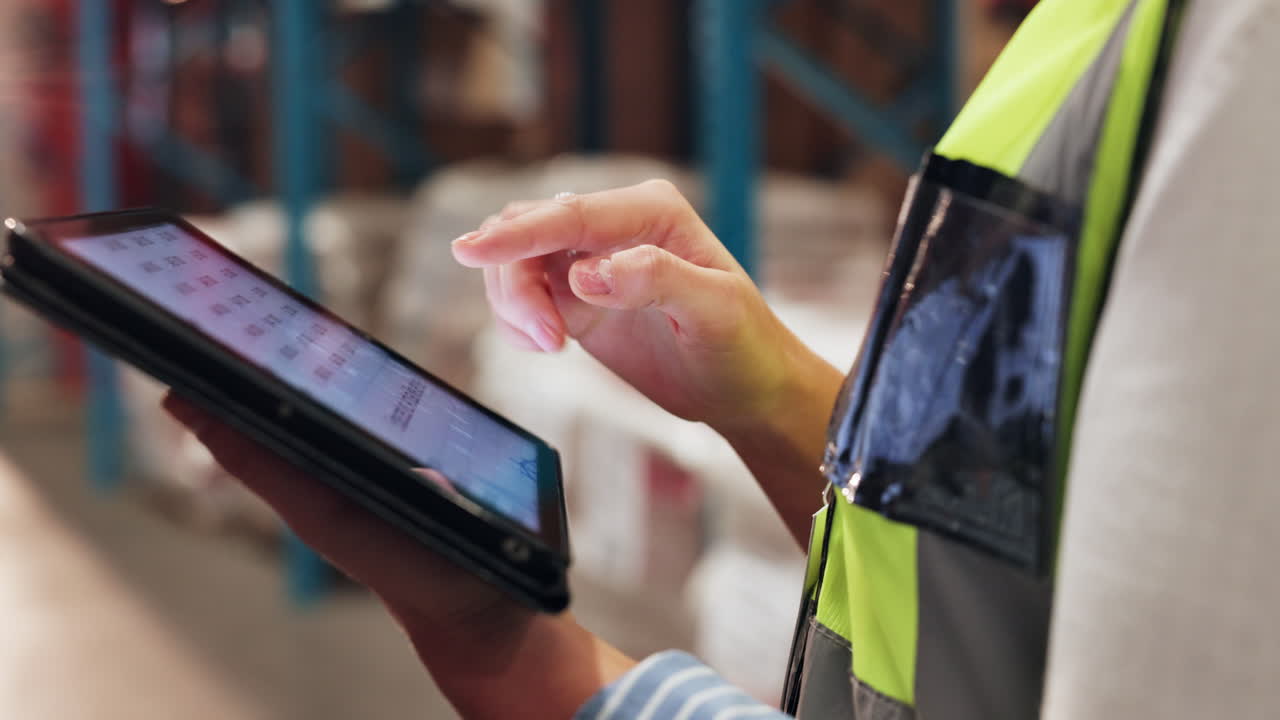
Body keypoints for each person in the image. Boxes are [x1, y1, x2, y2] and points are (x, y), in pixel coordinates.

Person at [164, 0, 1280, 717]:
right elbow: (988, 608)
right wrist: (775, 397)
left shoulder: (1236, 54)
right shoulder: (1102, 33)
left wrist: (513, 649)